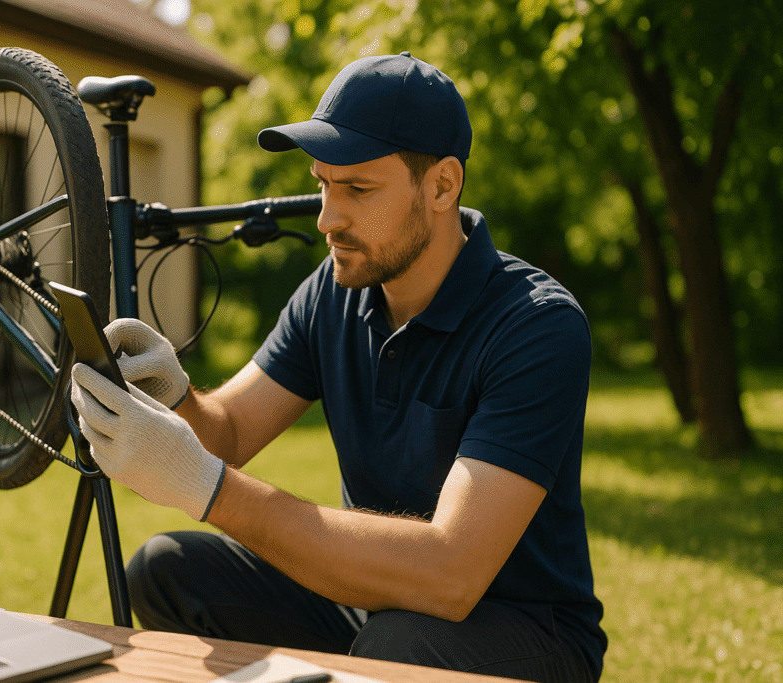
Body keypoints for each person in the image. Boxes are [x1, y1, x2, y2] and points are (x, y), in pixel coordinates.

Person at [70, 52, 607, 682]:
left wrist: (206, 487)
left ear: (442, 185)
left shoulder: (536, 324)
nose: (327, 218)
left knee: (396, 646)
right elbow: (229, 433)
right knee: (168, 569)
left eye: (357, 189)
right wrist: (174, 393)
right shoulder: (334, 291)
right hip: (375, 608)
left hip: (528, 634)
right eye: (324, 184)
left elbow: (451, 574)